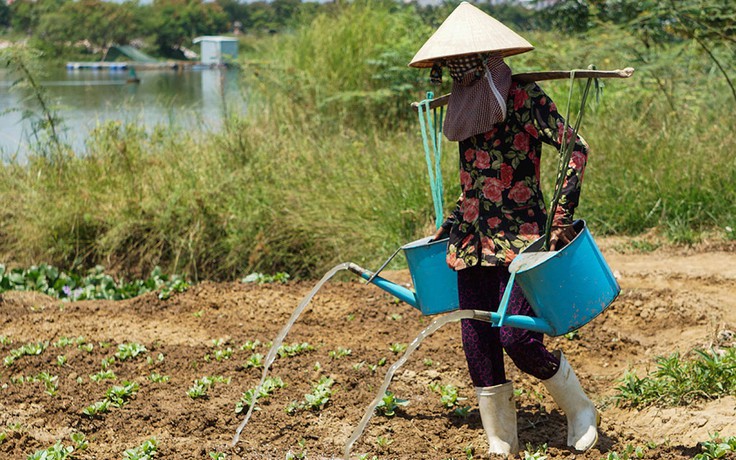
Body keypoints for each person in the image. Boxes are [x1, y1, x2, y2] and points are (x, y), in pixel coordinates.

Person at [409, 2, 599, 456]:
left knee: (516, 334)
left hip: (521, 237)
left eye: (463, 64)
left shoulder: (522, 98)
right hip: (471, 241)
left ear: (486, 59)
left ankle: (579, 409)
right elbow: (471, 181)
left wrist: (559, 218)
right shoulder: (462, 104)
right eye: (450, 68)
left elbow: (576, 148)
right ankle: (501, 438)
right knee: (476, 335)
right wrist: (449, 224)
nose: (456, 73)